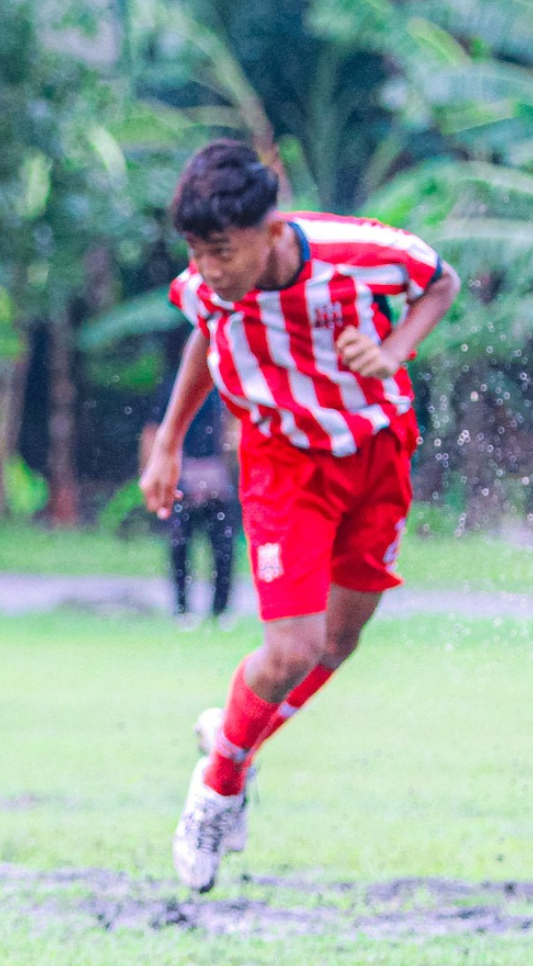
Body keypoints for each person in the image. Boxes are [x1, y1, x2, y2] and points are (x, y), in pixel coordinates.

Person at [139, 140, 460, 893]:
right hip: (284, 467)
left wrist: (391, 348)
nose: (209, 267)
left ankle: (230, 741)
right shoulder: (208, 287)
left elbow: (439, 284)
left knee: (338, 644)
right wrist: (170, 447)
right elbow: (203, 339)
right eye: (195, 249)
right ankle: (216, 793)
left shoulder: (359, 253)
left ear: (273, 229)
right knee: (291, 649)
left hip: (378, 451)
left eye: (221, 249)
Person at [141, 376, 239, 629]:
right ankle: (182, 608)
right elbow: (153, 430)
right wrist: (151, 473)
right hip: (181, 477)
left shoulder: (225, 384)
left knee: (223, 547)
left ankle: (221, 610)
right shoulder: (173, 388)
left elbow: (235, 428)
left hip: (218, 477)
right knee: (179, 545)